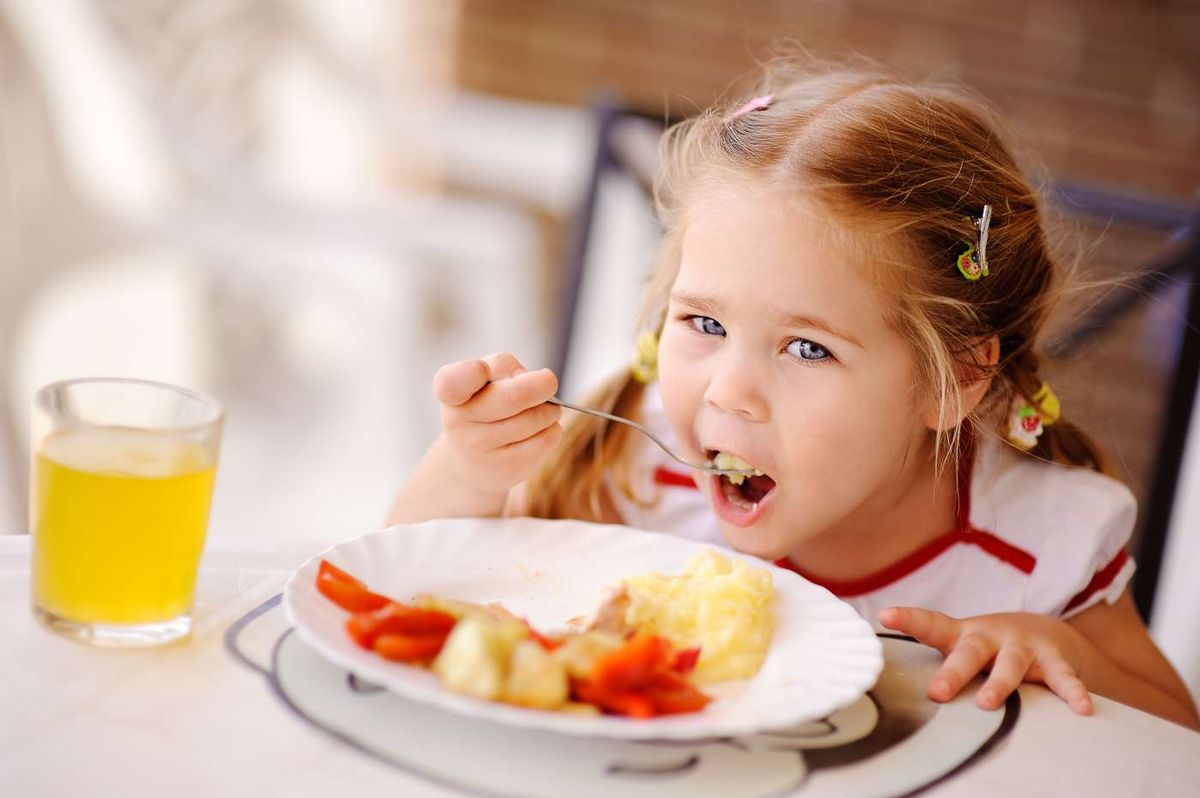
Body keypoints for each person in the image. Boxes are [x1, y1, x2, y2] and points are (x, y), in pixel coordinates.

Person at [388, 64, 1199, 729]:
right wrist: (466, 472)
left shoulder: (1032, 546)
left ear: (954, 379)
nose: (730, 392)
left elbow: (1177, 738)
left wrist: (1057, 647)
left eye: (807, 347)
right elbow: (407, 595)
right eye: (703, 321)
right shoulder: (634, 463)